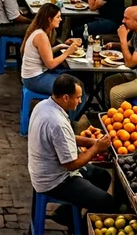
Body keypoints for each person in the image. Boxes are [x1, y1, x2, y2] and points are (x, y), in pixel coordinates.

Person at [27, 75, 115, 222]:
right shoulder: (57, 122)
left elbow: (65, 138)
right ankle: (81, 226)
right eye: (78, 97)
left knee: (103, 177)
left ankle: (66, 215)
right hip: (54, 181)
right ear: (66, 97)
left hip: (43, 170)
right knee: (108, 203)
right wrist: (96, 148)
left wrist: (92, 142)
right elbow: (71, 164)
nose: (80, 101)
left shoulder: (43, 106)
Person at [21, 3, 86, 118]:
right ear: (49, 19)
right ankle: (72, 122)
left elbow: (45, 53)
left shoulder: (40, 32)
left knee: (77, 78)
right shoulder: (41, 36)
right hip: (34, 79)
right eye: (58, 17)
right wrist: (68, 52)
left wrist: (61, 46)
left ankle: (73, 116)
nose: (60, 19)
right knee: (75, 89)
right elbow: (50, 64)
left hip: (35, 75)